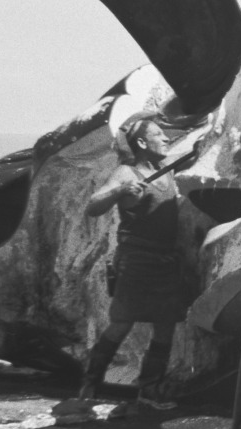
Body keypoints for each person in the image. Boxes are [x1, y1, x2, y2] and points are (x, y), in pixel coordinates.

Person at [78, 112, 191, 410]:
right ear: (142, 142)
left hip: (165, 262)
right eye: (159, 135)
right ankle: (89, 386)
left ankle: (148, 391)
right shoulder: (127, 173)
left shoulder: (165, 168)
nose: (166, 139)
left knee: (166, 325)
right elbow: (92, 206)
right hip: (137, 262)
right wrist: (119, 191)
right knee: (121, 324)